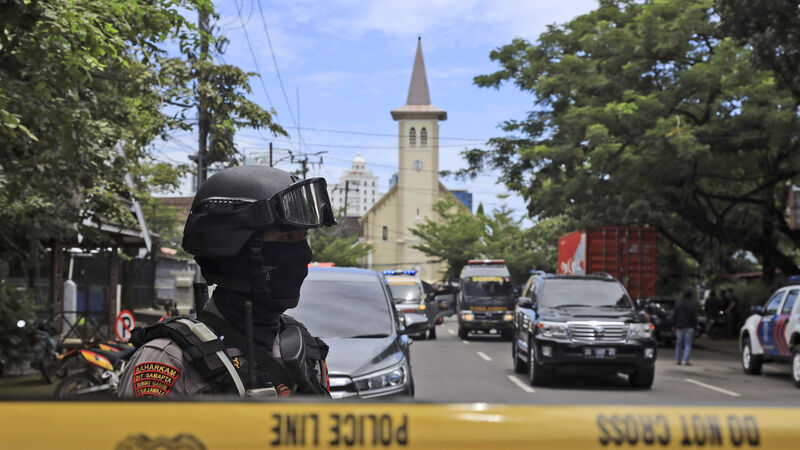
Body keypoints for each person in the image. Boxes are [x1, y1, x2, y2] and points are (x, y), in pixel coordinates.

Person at [118, 166, 337, 399]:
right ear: (234, 250)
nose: (304, 254)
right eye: (286, 237)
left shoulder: (305, 349)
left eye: (303, 238)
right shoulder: (168, 361)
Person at [673, 287, 698, 366]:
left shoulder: (678, 303)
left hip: (680, 326)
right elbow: (694, 317)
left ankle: (678, 360)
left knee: (679, 343)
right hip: (689, 326)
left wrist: (673, 325)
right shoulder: (692, 304)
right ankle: (685, 361)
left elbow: (675, 315)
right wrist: (696, 327)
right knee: (688, 344)